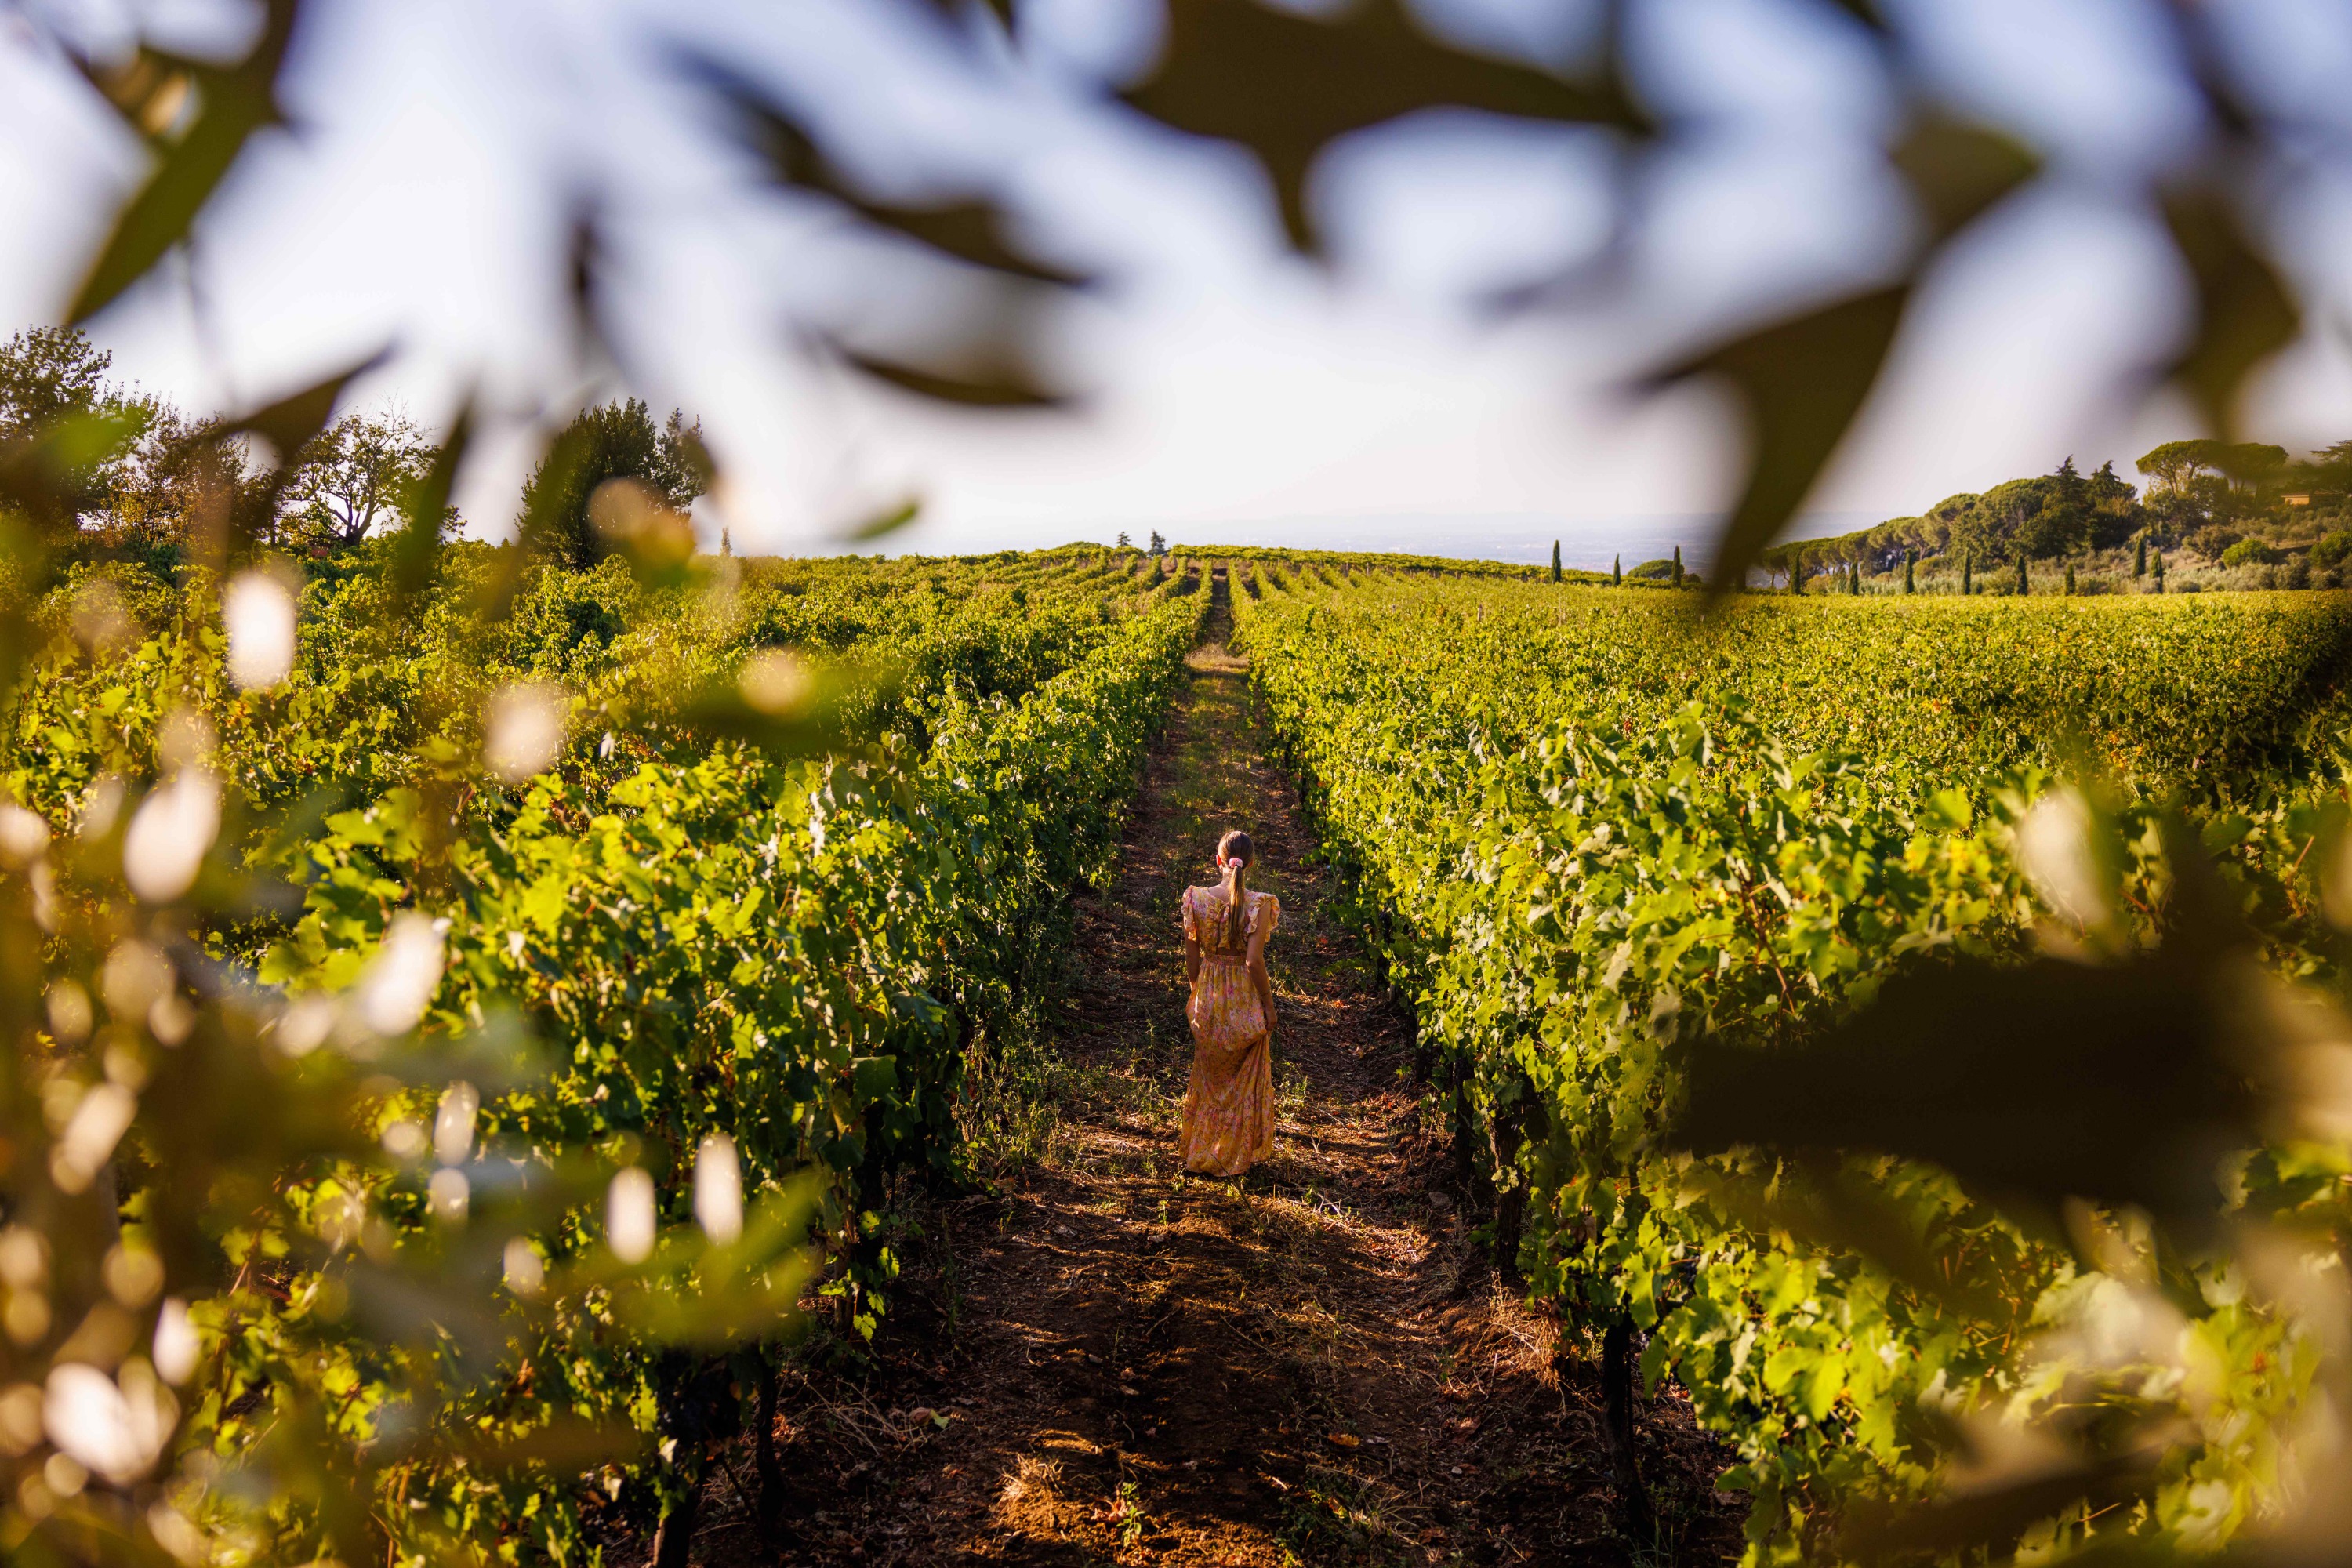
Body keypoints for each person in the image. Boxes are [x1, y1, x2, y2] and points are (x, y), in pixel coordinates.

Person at [1178, 829, 1280, 1177]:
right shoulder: (1259, 903)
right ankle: (1235, 1158)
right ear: (1249, 863)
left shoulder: (1195, 899)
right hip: (1243, 998)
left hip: (1210, 993)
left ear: (1218, 860)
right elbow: (1253, 962)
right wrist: (1267, 1006)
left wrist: (1197, 992)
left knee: (1210, 1078)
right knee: (1240, 1082)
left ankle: (1203, 1149)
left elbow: (1192, 956)